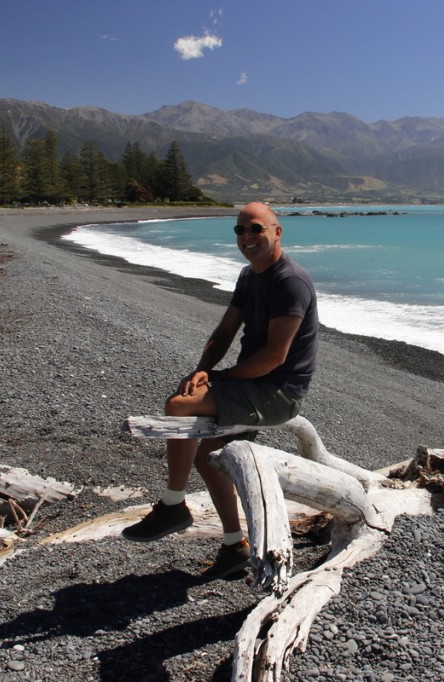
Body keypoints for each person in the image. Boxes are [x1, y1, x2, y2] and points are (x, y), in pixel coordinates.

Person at [122, 202, 319, 579]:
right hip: (253, 384)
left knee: (177, 406)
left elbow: (275, 357)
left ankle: (173, 506)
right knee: (209, 458)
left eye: (256, 229)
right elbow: (226, 331)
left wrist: (222, 379)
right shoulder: (249, 276)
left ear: (278, 232)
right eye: (240, 230)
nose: (247, 237)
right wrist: (203, 370)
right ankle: (234, 546)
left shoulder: (290, 281)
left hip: (279, 392)